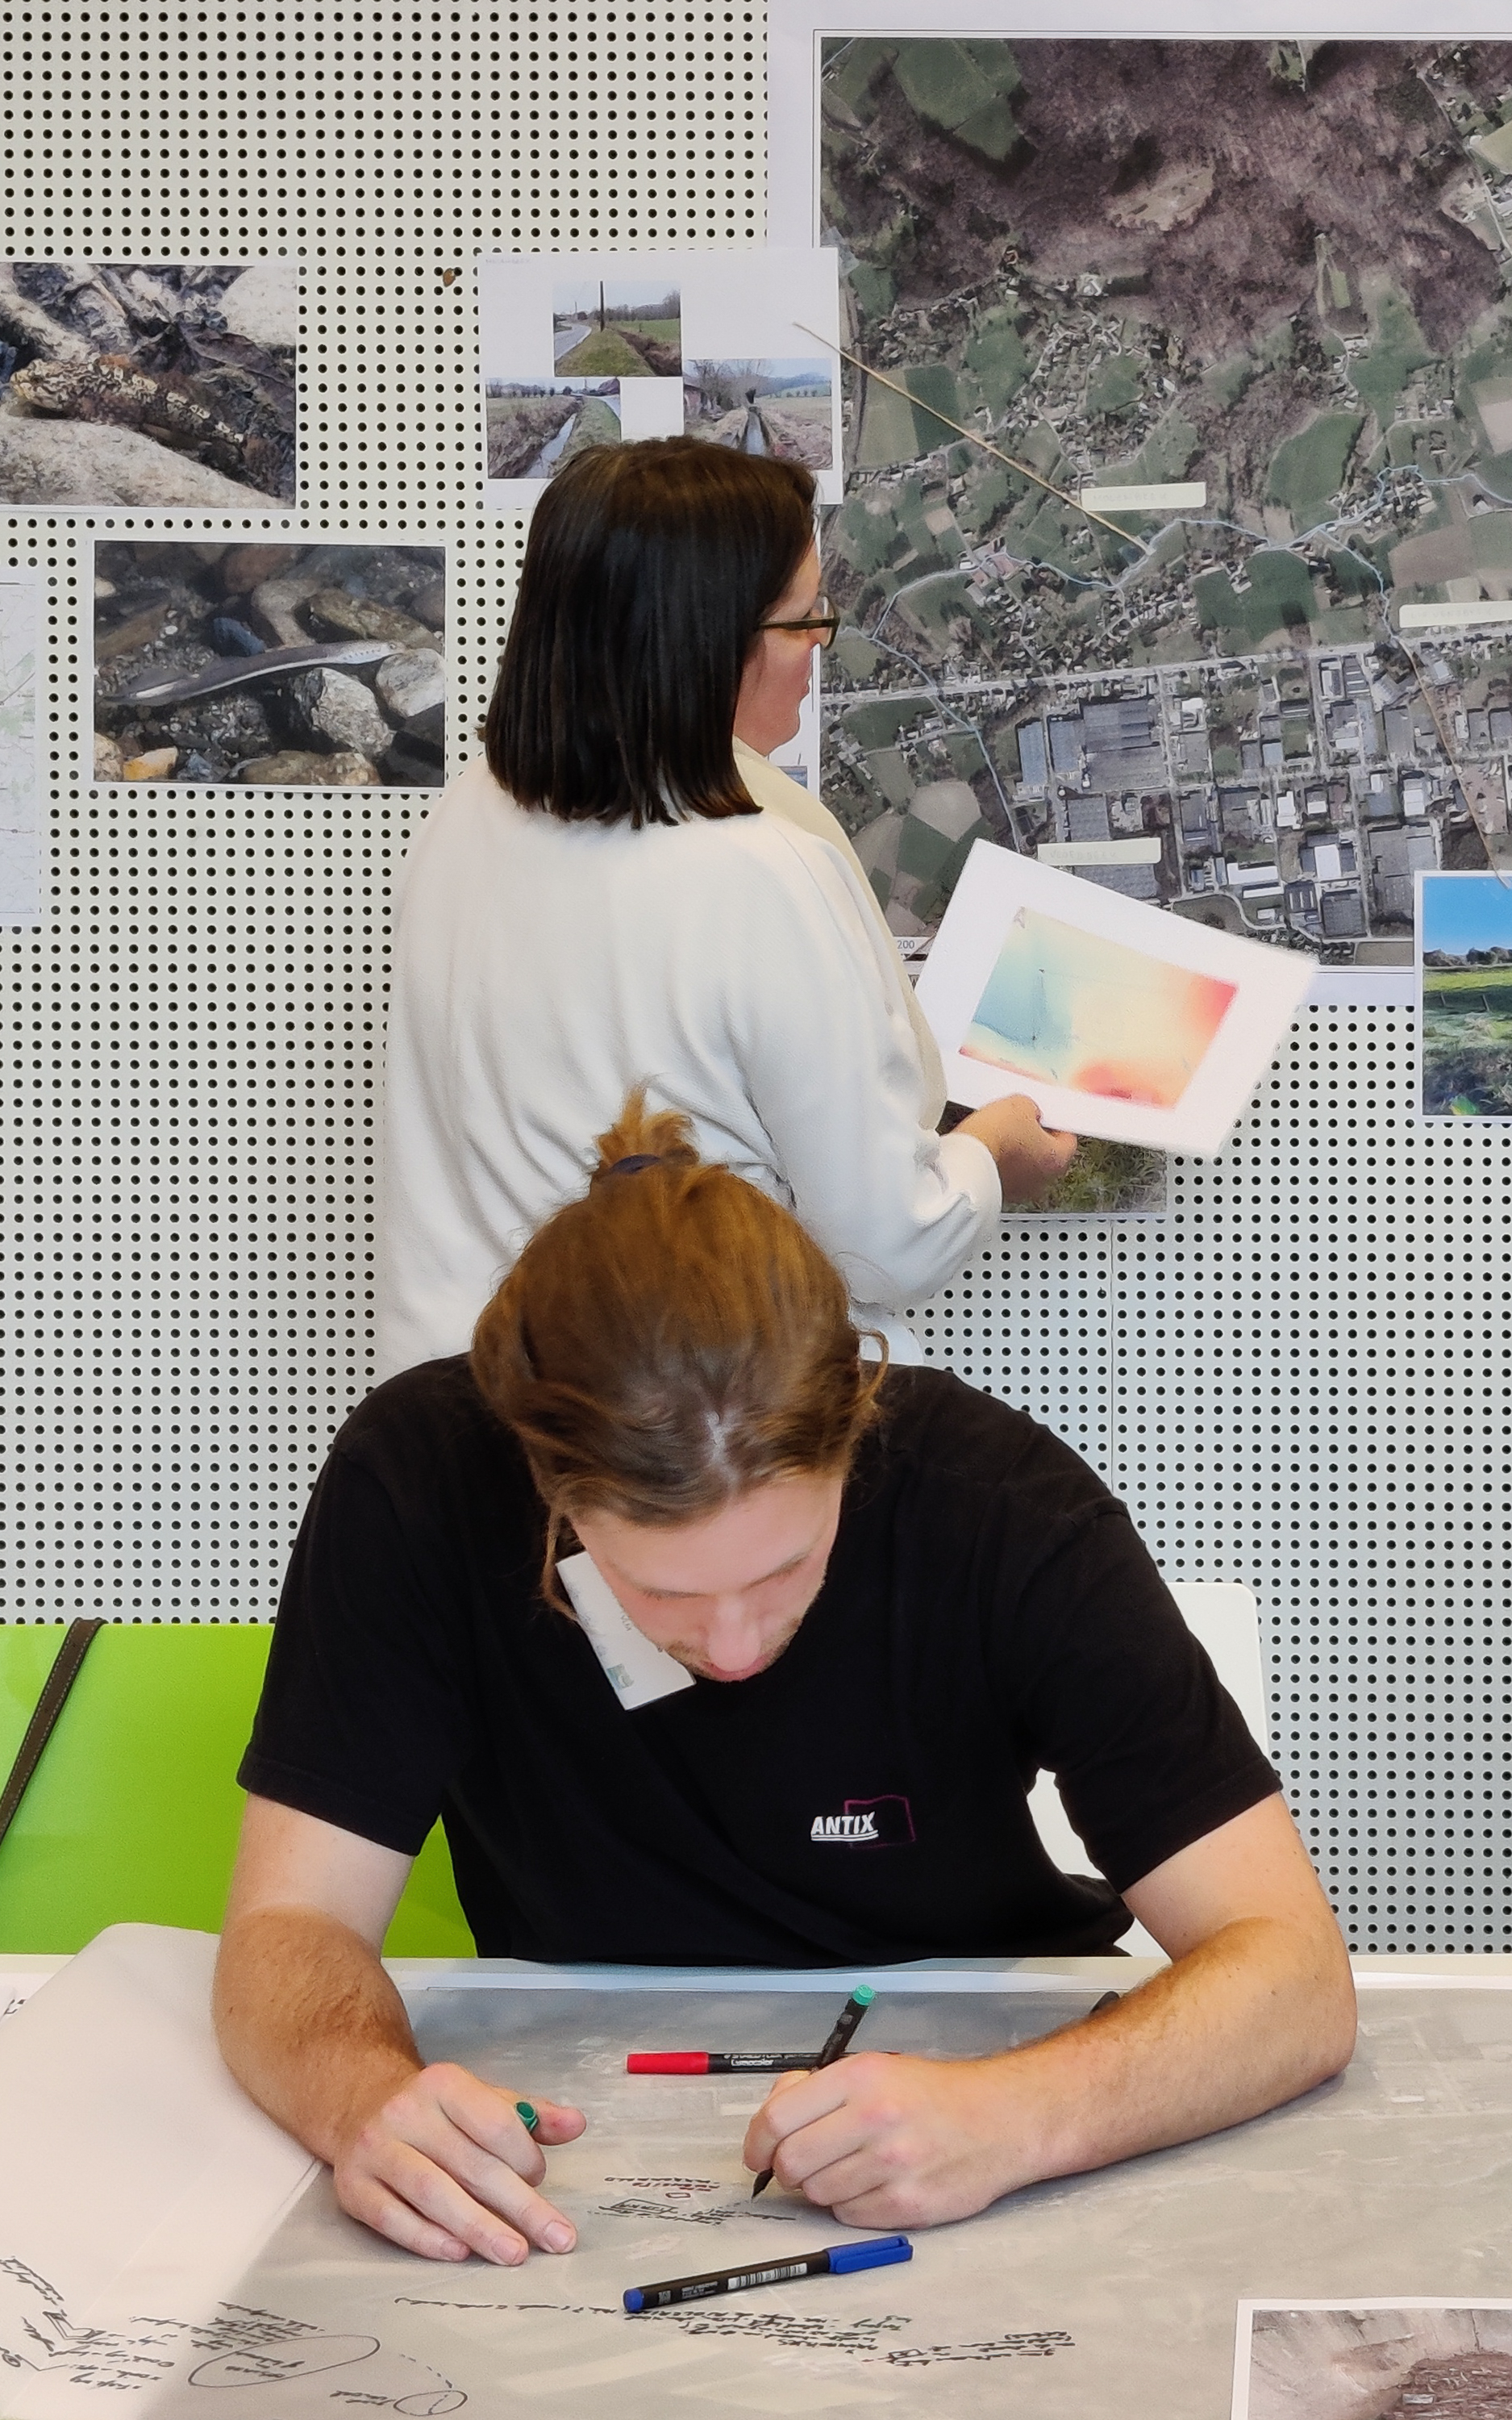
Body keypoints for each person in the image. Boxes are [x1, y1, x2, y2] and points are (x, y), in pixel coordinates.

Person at [217, 1100, 1356, 2263]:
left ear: (856, 1426)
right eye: (660, 1593)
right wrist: (360, 2095)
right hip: (584, 2120)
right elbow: (289, 1928)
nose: (739, 1648)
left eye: (784, 1569)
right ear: (545, 1480)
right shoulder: (417, 1481)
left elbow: (1295, 1976)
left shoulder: (1001, 1505)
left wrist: (1016, 2115)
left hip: (980, 2089)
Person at [373, 437, 1076, 1379]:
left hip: (457, 1424)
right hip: (679, 1451)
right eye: (803, 622)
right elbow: (885, 1242)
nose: (818, 654)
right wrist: (991, 1155)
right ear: (706, 640)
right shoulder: (762, 870)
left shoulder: (467, 813)